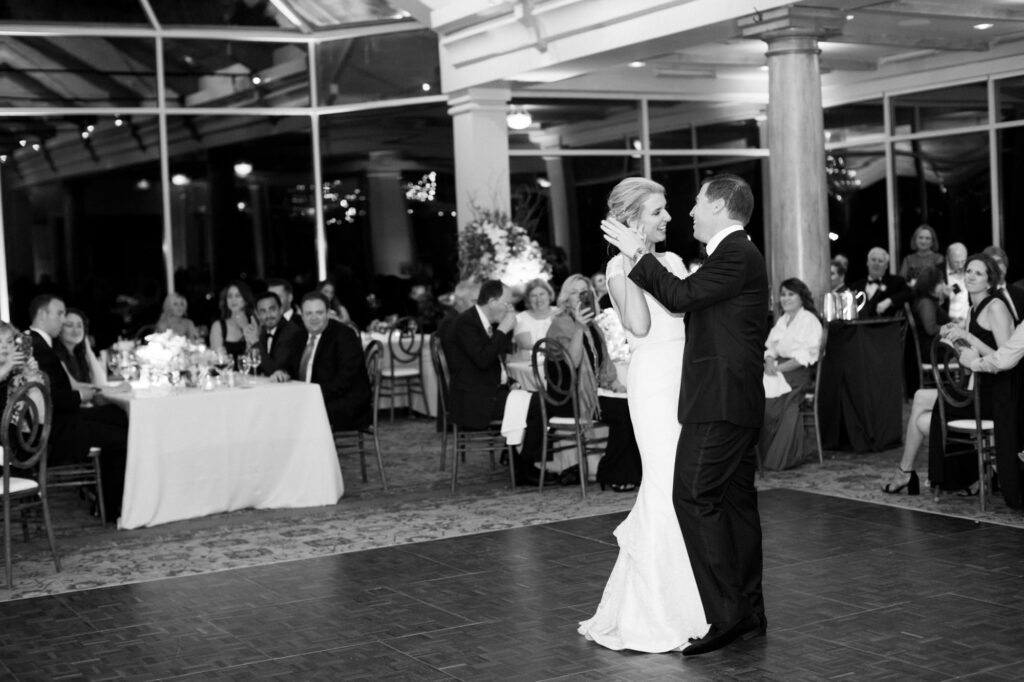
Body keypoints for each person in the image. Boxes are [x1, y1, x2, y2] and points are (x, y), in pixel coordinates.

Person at [601, 172, 768, 656]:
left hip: (715, 397)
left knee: (693, 497)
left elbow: (681, 299)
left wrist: (639, 255)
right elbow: (655, 317)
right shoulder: (729, 253)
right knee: (732, 502)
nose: (684, 213)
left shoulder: (733, 252)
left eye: (693, 203)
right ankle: (744, 611)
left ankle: (728, 614)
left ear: (718, 206)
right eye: (664, 210)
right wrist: (632, 258)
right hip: (695, 392)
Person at [577, 177, 706, 653]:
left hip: (683, 379)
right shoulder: (615, 269)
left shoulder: (672, 261)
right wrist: (632, 260)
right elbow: (640, 325)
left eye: (667, 209)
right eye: (657, 212)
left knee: (685, 484)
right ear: (631, 222)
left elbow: (689, 312)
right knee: (663, 485)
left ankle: (693, 597)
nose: (668, 218)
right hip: (651, 383)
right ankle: (656, 609)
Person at [517, 273, 632, 488]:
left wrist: (616, 385)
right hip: (568, 398)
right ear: (565, 299)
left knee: (633, 404)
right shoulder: (561, 325)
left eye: (584, 292)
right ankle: (614, 474)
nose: (580, 297)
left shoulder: (594, 326)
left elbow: (603, 364)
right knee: (622, 411)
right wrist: (579, 327)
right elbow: (573, 363)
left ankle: (628, 472)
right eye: (574, 292)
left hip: (590, 393)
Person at [29, 295, 128, 519]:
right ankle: (110, 508)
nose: (63, 321)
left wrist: (82, 394)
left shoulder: (39, 343)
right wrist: (79, 396)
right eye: (60, 314)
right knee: (123, 436)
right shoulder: (37, 346)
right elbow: (49, 397)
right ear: (43, 314)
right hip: (57, 430)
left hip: (64, 418)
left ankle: (111, 499)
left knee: (120, 415)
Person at [758, 278, 823, 471]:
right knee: (755, 393)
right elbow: (770, 347)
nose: (785, 298)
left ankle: (781, 455)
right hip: (778, 368)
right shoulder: (783, 320)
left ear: (801, 297)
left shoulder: (809, 320)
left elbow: (806, 355)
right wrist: (769, 361)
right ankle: (756, 454)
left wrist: (778, 369)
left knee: (772, 403)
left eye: (790, 294)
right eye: (783, 294)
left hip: (797, 372)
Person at [446, 280, 514, 432]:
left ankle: (513, 454)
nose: (510, 309)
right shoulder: (466, 323)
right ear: (492, 302)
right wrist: (502, 330)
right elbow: (483, 360)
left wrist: (510, 381)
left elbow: (497, 360)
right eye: (507, 303)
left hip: (490, 392)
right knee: (538, 405)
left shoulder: (487, 323)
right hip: (474, 401)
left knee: (535, 401)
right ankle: (522, 455)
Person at [298, 292, 372, 431]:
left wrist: (313, 396)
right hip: (315, 397)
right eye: (308, 313)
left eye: (319, 312)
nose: (314, 318)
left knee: (299, 413)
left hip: (345, 402)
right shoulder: (299, 336)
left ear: (328, 314)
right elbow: (290, 366)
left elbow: (344, 380)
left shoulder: (344, 336)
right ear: (302, 316)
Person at [243, 291, 305, 381]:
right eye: (263, 311)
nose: (268, 315)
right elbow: (253, 370)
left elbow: (275, 370)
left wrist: (255, 342)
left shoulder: (291, 332)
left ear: (281, 310)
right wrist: (249, 344)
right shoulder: (262, 332)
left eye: (272, 309)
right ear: (257, 314)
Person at [849, 247, 912, 317]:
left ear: (886, 266)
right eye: (873, 260)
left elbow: (908, 293)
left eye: (880, 261)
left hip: (886, 325)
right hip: (859, 326)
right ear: (867, 263)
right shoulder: (856, 285)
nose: (876, 264)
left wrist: (889, 301)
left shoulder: (896, 281)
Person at [54, 308, 108, 386]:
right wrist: (116, 389)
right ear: (59, 329)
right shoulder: (55, 355)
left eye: (79, 326)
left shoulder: (79, 355)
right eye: (69, 325)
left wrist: (88, 351)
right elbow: (72, 386)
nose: (76, 330)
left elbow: (101, 383)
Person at [209, 280, 258, 364]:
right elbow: (218, 359)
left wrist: (245, 327)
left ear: (246, 300)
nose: (233, 300)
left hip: (250, 374)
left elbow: (254, 357)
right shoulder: (218, 326)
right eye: (230, 296)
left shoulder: (254, 323)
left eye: (238, 296)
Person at [909, 266, 950, 359]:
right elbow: (930, 329)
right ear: (932, 284)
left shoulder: (926, 300)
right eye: (941, 282)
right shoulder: (926, 302)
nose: (944, 285)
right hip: (933, 350)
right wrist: (952, 327)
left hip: (936, 346)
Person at [513, 278, 557, 359]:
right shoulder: (521, 318)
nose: (538, 299)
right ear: (528, 299)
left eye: (541, 294)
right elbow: (526, 346)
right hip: (532, 365)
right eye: (533, 296)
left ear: (549, 294)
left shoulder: (560, 313)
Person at [945, 242, 969, 323]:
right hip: (948, 322)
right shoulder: (939, 272)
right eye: (956, 262)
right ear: (948, 258)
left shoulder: (970, 269)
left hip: (969, 322)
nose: (960, 266)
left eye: (963, 261)